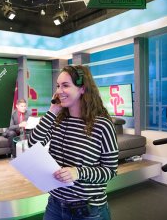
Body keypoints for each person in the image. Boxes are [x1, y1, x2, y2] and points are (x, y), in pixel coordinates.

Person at [28, 65, 118, 220]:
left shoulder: (102, 125)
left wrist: (78, 172)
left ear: (82, 89)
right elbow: (32, 144)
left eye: (65, 86)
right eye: (57, 86)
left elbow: (110, 171)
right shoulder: (57, 120)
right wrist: (52, 111)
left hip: (88, 210)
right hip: (55, 205)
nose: (59, 91)